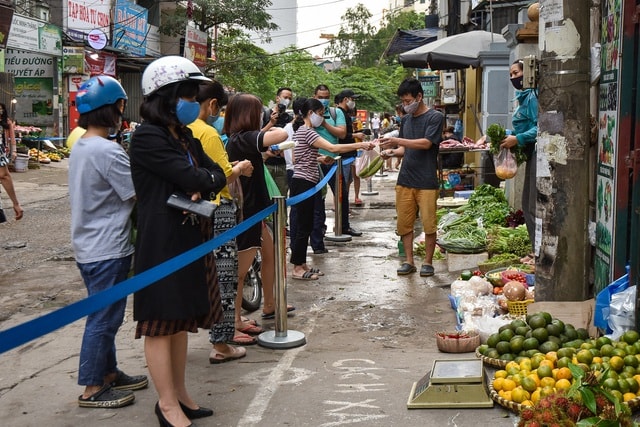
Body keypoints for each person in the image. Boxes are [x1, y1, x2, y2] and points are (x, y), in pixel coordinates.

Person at [130, 56, 226, 426]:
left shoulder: (184, 135)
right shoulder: (148, 137)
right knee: (160, 323)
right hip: (162, 242)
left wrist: (201, 179)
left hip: (190, 237)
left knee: (182, 320)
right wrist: (200, 179)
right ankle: (166, 404)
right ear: (165, 97)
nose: (192, 102)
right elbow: (196, 177)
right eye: (186, 94)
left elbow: (216, 173)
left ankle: (181, 395)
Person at [69, 76, 148, 409]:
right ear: (114, 108)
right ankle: (91, 387)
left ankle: (108, 372)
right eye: (120, 105)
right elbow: (134, 194)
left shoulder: (82, 145)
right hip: (107, 247)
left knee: (105, 315)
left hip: (88, 245)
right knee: (104, 319)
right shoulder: (107, 150)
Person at [188, 80, 255, 363]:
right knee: (224, 277)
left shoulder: (181, 131)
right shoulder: (208, 134)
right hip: (218, 209)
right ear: (212, 104)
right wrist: (240, 168)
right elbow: (221, 176)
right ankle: (222, 342)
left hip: (192, 210)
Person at [223, 93, 294, 342]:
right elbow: (281, 136)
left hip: (257, 211)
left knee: (270, 254)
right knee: (240, 270)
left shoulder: (241, 140)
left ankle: (270, 304)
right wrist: (282, 124)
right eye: (258, 112)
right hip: (247, 212)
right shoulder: (242, 138)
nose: (261, 116)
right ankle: (233, 322)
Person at [289, 97, 373, 280]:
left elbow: (297, 159)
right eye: (320, 114)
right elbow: (333, 148)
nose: (321, 118)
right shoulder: (308, 131)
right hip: (304, 182)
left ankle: (302, 263)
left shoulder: (302, 131)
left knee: (307, 223)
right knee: (304, 225)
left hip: (305, 181)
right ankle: (297, 268)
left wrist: (318, 158)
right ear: (310, 113)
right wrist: (360, 144)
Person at [379, 78, 444, 277]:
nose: (406, 105)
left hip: (426, 180)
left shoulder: (435, 117)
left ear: (419, 96)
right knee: (404, 223)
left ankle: (428, 261)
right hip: (405, 178)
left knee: (428, 223)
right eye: (403, 102)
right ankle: (409, 261)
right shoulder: (406, 120)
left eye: (408, 101)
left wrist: (396, 139)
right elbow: (405, 149)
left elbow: (425, 144)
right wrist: (392, 152)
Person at [499, 59, 538, 263]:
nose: (514, 78)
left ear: (528, 73)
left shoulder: (532, 97)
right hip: (531, 154)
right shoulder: (522, 98)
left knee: (532, 206)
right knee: (527, 203)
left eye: (516, 73)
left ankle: (537, 254)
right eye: (511, 75)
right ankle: (535, 251)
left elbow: (541, 127)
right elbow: (523, 129)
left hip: (538, 154)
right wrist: (507, 136)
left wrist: (518, 139)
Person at [313, 84, 361, 237]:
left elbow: (341, 134)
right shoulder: (309, 112)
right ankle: (319, 230)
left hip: (334, 162)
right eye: (320, 97)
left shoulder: (336, 112)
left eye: (326, 97)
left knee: (342, 194)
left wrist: (324, 123)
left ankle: (343, 226)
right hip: (316, 161)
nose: (324, 100)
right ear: (315, 97)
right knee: (317, 198)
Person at [335, 90, 366, 210]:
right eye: (352, 99)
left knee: (348, 182)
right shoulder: (340, 113)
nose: (353, 102)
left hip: (349, 155)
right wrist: (355, 136)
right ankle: (342, 213)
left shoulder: (346, 114)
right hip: (344, 155)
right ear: (345, 100)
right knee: (342, 186)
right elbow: (342, 135)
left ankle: (344, 211)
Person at [261, 87, 294, 198]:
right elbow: (257, 136)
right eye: (285, 97)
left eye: (290, 98)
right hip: (267, 163)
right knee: (265, 198)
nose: (287, 100)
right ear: (277, 98)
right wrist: (270, 123)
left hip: (283, 165)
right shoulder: (265, 115)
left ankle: (281, 216)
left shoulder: (289, 118)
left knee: (282, 198)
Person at [0, 103, 23, 221]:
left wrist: (13, 151)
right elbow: (3, 176)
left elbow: (12, 139)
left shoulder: (6, 123)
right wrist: (15, 203)